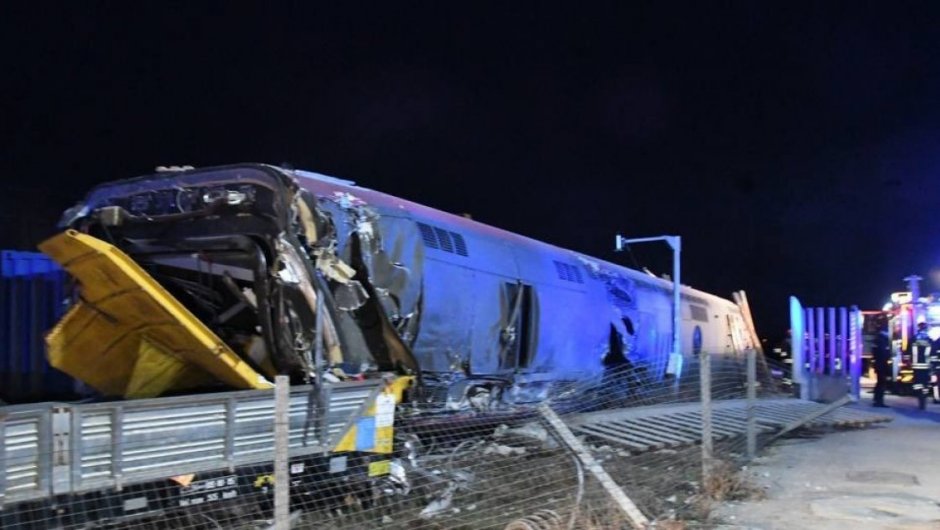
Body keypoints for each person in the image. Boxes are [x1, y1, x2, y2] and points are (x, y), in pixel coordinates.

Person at [910, 321, 932, 410]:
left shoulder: (914, 338)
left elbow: (908, 350)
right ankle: (923, 399)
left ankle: (920, 398)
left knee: (918, 383)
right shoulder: (929, 339)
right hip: (926, 365)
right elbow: (932, 352)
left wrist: (908, 361)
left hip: (916, 365)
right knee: (925, 383)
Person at [872, 327, 891, 407]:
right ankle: (879, 401)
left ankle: (876, 399)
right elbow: (884, 353)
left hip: (878, 364)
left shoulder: (877, 338)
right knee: (882, 383)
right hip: (882, 365)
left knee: (879, 382)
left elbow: (875, 352)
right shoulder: (883, 340)